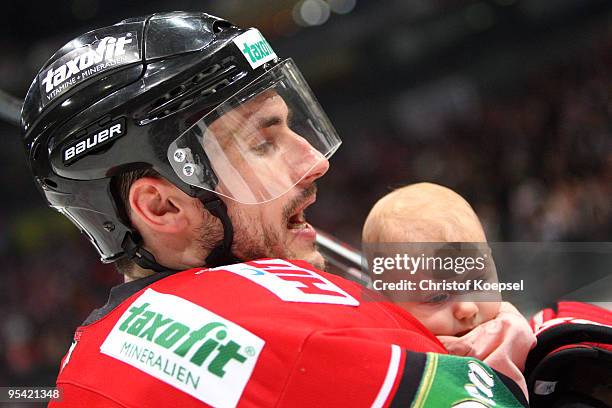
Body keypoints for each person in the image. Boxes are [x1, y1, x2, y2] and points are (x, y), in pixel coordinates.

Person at [21, 12, 528, 407]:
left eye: (292, 126)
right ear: (163, 205)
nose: (314, 162)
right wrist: (554, 341)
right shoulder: (288, 328)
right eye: (262, 144)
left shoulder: (85, 366)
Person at [362, 182, 537, 399]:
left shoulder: (508, 334)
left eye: (477, 283)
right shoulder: (390, 350)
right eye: (438, 297)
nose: (467, 309)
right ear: (388, 302)